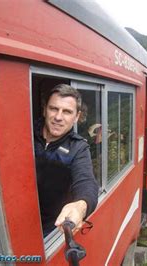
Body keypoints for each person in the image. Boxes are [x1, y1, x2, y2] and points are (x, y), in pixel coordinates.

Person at [34, 84, 98, 236]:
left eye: (67, 112)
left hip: (49, 228)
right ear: (44, 110)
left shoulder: (78, 148)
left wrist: (80, 206)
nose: (58, 117)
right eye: (53, 109)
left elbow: (86, 181)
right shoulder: (25, 130)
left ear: (76, 117)